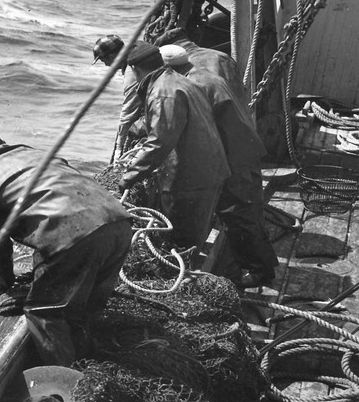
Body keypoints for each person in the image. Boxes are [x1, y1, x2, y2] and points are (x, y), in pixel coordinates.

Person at [0, 126, 134, 367]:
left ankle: (70, 377)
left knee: (44, 312)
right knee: (87, 304)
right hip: (118, 222)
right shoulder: (38, 154)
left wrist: (4, 286)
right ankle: (93, 357)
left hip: (73, 236)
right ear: (2, 142)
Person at [160, 41, 278, 288]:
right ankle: (261, 265)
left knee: (238, 212)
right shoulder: (204, 75)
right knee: (243, 211)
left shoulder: (192, 85)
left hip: (234, 156)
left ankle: (260, 272)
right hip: (241, 149)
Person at [117, 42, 229, 259]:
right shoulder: (180, 80)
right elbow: (172, 120)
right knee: (195, 233)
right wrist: (137, 128)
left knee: (181, 240)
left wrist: (128, 176)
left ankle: (182, 271)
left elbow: (159, 142)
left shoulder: (161, 92)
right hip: (210, 169)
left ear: (135, 69)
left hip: (190, 178)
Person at [93, 35, 143, 159]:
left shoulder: (132, 72)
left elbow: (129, 112)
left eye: (104, 61)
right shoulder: (135, 56)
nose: (106, 65)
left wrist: (119, 148)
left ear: (111, 57)